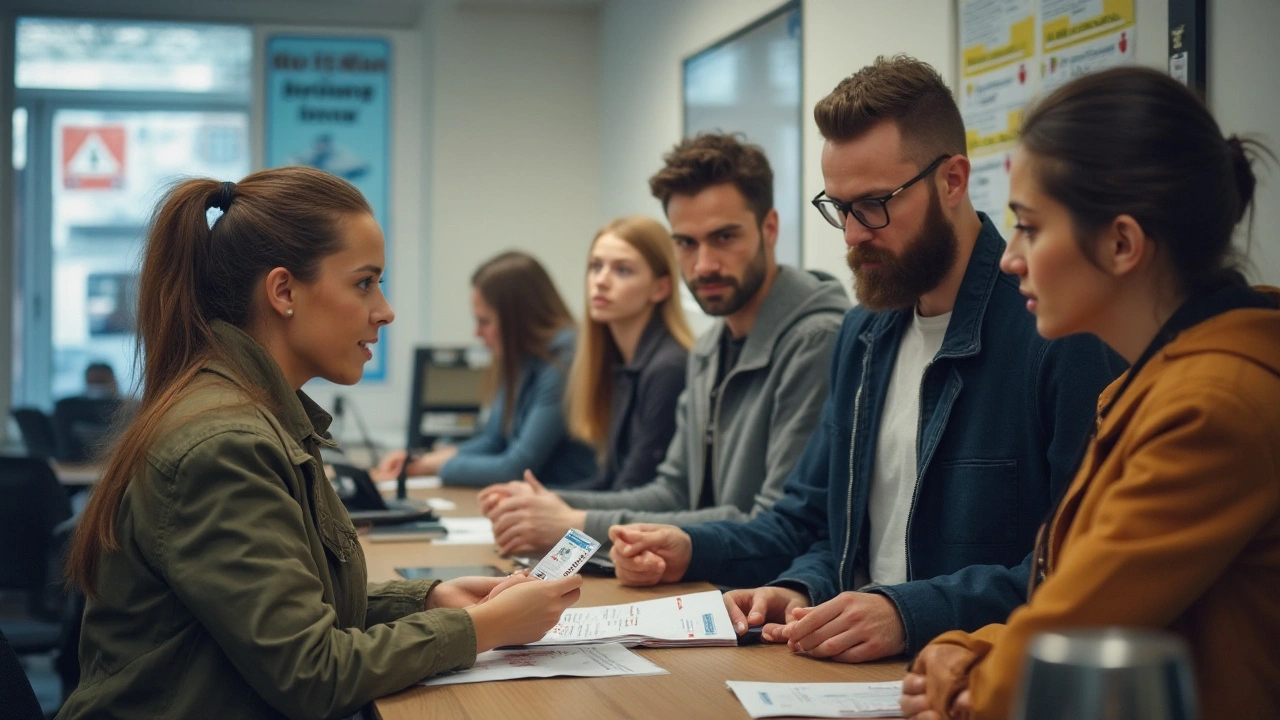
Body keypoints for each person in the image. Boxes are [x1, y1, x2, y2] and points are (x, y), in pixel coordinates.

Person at [608, 55, 1123, 663]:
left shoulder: (1057, 332)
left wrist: (907, 613)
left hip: (964, 673)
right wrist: (795, 587)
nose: (852, 234)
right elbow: (818, 526)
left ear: (953, 180)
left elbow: (1083, 569)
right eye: (839, 207)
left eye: (875, 204)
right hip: (846, 671)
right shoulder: (864, 334)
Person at [58, 167, 583, 720]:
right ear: (283, 291)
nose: (385, 310)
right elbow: (312, 674)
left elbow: (290, 607)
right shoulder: (223, 445)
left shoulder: (249, 413)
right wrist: (486, 627)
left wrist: (428, 600)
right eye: (364, 283)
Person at [901, 67, 1280, 720]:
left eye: (1029, 226)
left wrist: (967, 675)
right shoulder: (1159, 382)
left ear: (1122, 243)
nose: (1009, 257)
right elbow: (1071, 602)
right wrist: (969, 649)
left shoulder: (1212, 407)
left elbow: (1066, 644)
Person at [478, 133, 849, 556]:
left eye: (725, 237)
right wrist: (552, 507)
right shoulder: (710, 349)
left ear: (770, 228)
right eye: (686, 243)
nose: (704, 264)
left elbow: (773, 522)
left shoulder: (814, 340)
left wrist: (575, 523)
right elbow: (673, 493)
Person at [375, 251, 597, 488]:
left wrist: (432, 467)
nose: (477, 333)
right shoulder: (520, 357)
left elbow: (515, 467)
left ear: (518, 319)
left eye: (485, 321)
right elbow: (493, 441)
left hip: (569, 503)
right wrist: (422, 461)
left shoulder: (564, 361)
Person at [565, 216, 693, 490]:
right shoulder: (622, 361)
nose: (600, 281)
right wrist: (535, 500)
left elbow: (635, 487)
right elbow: (610, 482)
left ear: (661, 288)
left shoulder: (669, 368)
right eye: (596, 266)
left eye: (622, 271)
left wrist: (549, 507)